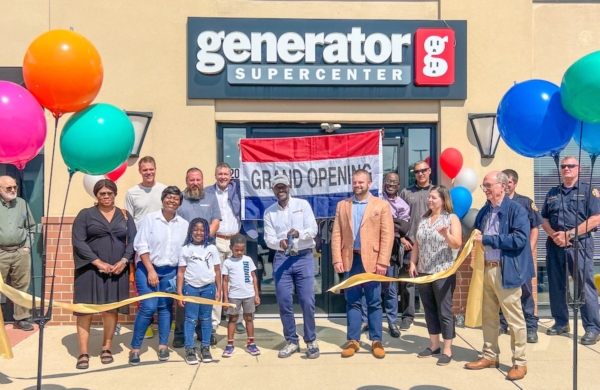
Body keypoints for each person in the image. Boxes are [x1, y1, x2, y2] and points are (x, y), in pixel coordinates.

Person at [465, 171, 533, 381]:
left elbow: (520, 239)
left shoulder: (517, 210)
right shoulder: (486, 209)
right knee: (489, 316)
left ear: (502, 186)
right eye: (484, 185)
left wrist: (489, 239)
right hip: (486, 268)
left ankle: (519, 362)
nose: (484, 188)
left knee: (514, 319)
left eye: (488, 185)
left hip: (507, 270)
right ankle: (490, 355)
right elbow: (478, 231)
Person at [72, 179, 136, 369]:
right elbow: (79, 241)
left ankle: (106, 347)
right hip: (89, 270)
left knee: (110, 309)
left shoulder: (124, 215)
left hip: (116, 270)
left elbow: (134, 240)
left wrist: (124, 261)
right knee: (86, 311)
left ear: (115, 194)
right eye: (102, 193)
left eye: (110, 193)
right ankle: (83, 351)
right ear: (96, 195)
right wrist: (98, 262)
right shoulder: (85, 215)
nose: (106, 196)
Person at [332, 169, 394, 359]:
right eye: (354, 182)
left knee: (374, 301)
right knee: (352, 301)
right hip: (351, 260)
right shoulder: (343, 205)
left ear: (369, 183)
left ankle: (376, 340)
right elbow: (336, 234)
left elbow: (387, 235)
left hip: (373, 261)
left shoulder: (381, 206)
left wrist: (383, 261)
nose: (357, 185)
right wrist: (337, 258)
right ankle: (353, 340)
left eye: (361, 182)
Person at [541, 156, 600, 345]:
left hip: (579, 245)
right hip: (556, 245)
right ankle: (561, 322)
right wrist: (554, 235)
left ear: (579, 168)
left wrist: (570, 234)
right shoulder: (552, 192)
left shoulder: (588, 190)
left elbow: (596, 218)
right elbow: (544, 219)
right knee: (557, 286)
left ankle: (592, 328)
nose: (566, 169)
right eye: (564, 166)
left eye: (571, 166)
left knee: (584, 286)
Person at [129, 186, 188, 366]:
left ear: (180, 202)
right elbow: (140, 245)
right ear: (163, 199)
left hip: (170, 270)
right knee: (148, 307)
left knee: (165, 308)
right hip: (147, 268)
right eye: (168, 197)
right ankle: (135, 348)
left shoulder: (184, 224)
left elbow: (184, 252)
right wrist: (151, 270)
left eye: (175, 199)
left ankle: (163, 346)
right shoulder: (150, 219)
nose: (172, 201)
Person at [263, 174, 319, 359]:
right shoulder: (269, 212)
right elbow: (268, 239)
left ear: (289, 187)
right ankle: (291, 341)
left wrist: (299, 233)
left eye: (283, 186)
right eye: (277, 187)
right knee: (285, 302)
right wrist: (280, 243)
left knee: (307, 302)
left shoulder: (302, 205)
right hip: (282, 259)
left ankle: (311, 340)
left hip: (304, 258)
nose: (281, 190)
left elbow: (313, 230)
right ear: (273, 190)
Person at [408, 185, 461, 366]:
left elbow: (456, 244)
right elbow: (417, 243)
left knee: (444, 311)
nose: (430, 200)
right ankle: (434, 345)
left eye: (434, 198)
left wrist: (446, 234)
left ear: (443, 200)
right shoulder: (424, 220)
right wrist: (413, 263)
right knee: (429, 310)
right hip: (424, 272)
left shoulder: (451, 219)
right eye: (429, 198)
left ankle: (447, 350)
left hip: (443, 272)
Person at [205, 163, 258, 335]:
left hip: (236, 240)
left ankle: (238, 318)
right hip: (216, 240)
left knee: (239, 281)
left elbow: (251, 184)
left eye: (226, 174)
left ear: (231, 176)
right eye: (220, 174)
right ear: (215, 175)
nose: (222, 177)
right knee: (217, 281)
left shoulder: (238, 190)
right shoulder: (207, 193)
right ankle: (214, 321)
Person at [173, 168, 221, 348]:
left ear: (202, 180)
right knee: (185, 294)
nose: (195, 183)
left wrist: (205, 239)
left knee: (205, 292)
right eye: (191, 180)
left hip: (206, 250)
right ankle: (179, 333)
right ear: (186, 180)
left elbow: (216, 220)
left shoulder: (210, 197)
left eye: (198, 179)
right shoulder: (180, 199)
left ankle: (202, 332)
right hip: (185, 252)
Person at [361, 172, 410, 338]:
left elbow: (402, 228)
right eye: (388, 181)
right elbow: (366, 221)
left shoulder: (403, 205)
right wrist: (389, 221)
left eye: (394, 182)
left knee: (390, 288)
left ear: (398, 185)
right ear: (383, 182)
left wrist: (382, 220)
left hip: (390, 252)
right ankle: (365, 319)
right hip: (370, 249)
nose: (391, 184)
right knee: (367, 285)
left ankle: (391, 322)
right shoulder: (374, 198)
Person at [124, 156, 167, 340]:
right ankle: (148, 323)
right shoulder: (132, 192)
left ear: (155, 169)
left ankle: (166, 320)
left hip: (162, 245)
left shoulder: (164, 190)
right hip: (141, 246)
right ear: (140, 171)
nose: (148, 172)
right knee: (143, 284)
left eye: (151, 169)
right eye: (145, 170)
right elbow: (130, 221)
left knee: (165, 283)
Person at [499, 169, 542, 343]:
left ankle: (530, 327)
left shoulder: (525, 202)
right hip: (502, 256)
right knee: (501, 290)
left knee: (525, 291)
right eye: (503, 182)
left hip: (521, 257)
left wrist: (529, 250)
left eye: (509, 182)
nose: (506, 186)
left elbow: (535, 228)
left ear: (515, 183)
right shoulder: (496, 203)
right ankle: (502, 324)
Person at [177, 217, 221, 365]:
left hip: (208, 288)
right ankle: (190, 349)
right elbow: (181, 272)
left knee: (206, 319)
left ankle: (205, 347)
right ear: (190, 231)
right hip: (191, 288)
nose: (199, 233)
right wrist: (180, 293)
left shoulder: (212, 248)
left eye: (202, 230)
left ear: (207, 232)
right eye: (195, 229)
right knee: (190, 319)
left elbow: (217, 270)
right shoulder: (185, 249)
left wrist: (218, 289)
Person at [399, 160, 434, 330]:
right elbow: (397, 218)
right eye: (417, 171)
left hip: (431, 245)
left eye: (423, 170)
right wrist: (401, 238)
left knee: (429, 281)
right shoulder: (406, 192)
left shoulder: (437, 192)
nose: (420, 174)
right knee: (408, 283)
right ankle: (407, 316)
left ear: (429, 171)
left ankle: (431, 317)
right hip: (410, 244)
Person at [0, 175, 35, 332]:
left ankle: (21, 318)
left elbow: (30, 227)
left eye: (15, 187)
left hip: (20, 251)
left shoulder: (22, 204)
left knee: (22, 286)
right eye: (9, 188)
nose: (13, 190)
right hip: (1, 252)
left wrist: (27, 247)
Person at [221, 234, 261, 358]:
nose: (239, 252)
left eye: (241, 250)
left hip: (249, 294)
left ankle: (251, 343)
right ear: (231, 248)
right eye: (236, 250)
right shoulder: (228, 262)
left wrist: (256, 294)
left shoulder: (248, 260)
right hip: (234, 295)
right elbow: (225, 281)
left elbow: (254, 277)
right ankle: (230, 344)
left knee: (249, 318)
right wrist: (226, 298)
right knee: (232, 319)